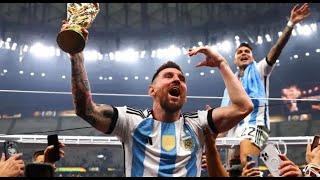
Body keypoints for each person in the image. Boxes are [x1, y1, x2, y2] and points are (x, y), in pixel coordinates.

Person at [60, 20, 253, 176]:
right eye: (168, 76)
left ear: (184, 96)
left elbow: (244, 107)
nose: (177, 80)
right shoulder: (132, 121)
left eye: (182, 79)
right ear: (152, 91)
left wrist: (221, 63)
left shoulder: (198, 123)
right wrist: (76, 55)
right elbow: (86, 110)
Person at [223, 3, 311, 167]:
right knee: (232, 170)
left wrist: (290, 24)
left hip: (256, 126)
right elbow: (225, 113)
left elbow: (276, 48)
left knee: (247, 164)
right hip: (234, 131)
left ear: (252, 58)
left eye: (247, 52)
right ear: (235, 60)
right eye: (240, 52)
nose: (243, 53)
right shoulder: (231, 83)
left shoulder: (259, 69)